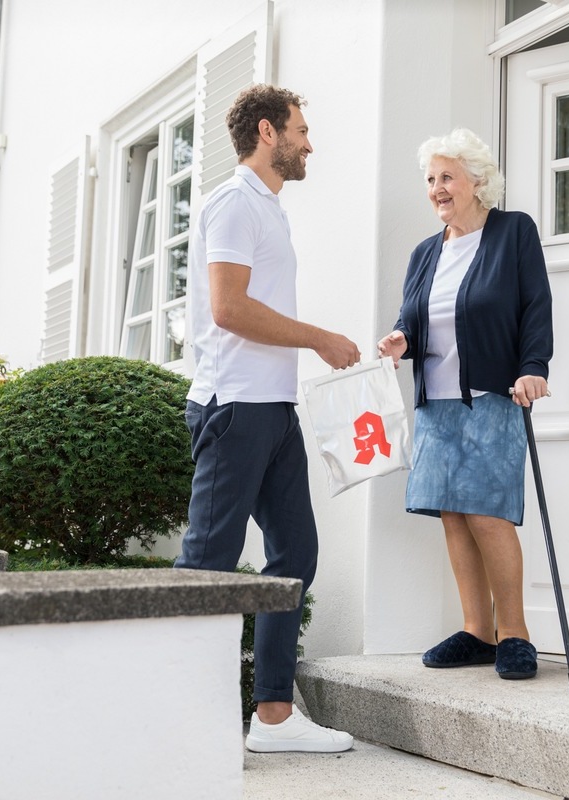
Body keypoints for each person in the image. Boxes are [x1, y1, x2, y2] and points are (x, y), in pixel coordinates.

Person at [175, 84, 359, 751]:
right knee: (208, 566)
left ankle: (274, 717)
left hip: (275, 410)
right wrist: (318, 337)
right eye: (301, 130)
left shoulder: (270, 210)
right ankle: (169, 712)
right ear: (266, 131)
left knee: (294, 555)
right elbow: (228, 309)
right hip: (235, 410)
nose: (310, 143)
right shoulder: (233, 205)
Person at [377, 128, 553, 681]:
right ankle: (478, 631)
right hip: (437, 400)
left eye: (446, 177)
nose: (437, 189)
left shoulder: (512, 232)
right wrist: (400, 338)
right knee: (453, 514)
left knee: (488, 513)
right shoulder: (426, 252)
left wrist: (533, 367)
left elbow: (535, 304)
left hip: (492, 395)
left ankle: (515, 632)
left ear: (477, 181)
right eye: (430, 180)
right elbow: (414, 316)